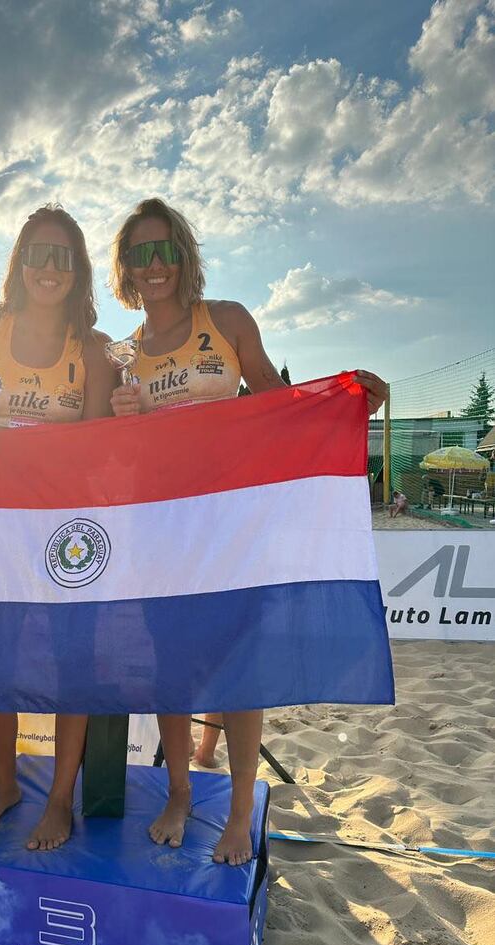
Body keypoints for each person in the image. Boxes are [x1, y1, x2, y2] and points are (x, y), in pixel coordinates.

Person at [109, 197, 387, 865]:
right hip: (161, 528)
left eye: (164, 249)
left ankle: (238, 812)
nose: (154, 265)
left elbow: (274, 398)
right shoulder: (125, 353)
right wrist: (123, 418)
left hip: (232, 528)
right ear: (124, 268)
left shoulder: (226, 320)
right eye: (139, 253)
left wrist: (343, 397)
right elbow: (122, 456)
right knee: (171, 675)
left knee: (239, 672)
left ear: (183, 255)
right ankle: (179, 790)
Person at [0, 204, 115, 851]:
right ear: (19, 264)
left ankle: (59, 799)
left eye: (61, 257)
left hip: (67, 526)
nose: (47, 268)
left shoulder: (93, 349)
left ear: (77, 271)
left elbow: (97, 446)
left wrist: (17, 434)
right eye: (36, 254)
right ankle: (7, 785)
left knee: (73, 664)